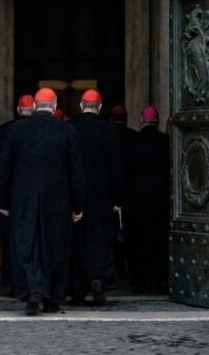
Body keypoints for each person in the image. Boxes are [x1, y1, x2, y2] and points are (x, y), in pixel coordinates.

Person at [0, 87, 85, 316]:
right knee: (54, 247)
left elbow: (5, 169)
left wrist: (3, 200)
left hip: (23, 198)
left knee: (27, 244)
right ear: (54, 106)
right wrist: (78, 206)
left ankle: (33, 289)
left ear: (35, 106)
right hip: (58, 200)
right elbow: (75, 172)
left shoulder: (16, 129)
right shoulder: (68, 130)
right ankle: (51, 295)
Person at [68, 89, 122, 305]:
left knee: (77, 239)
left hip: (76, 192)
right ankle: (99, 277)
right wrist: (117, 199)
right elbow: (117, 166)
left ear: (81, 105)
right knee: (101, 238)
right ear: (99, 107)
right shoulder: (110, 130)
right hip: (102, 193)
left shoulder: (70, 127)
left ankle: (79, 287)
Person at [0, 94, 35, 291]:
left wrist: (1, 199)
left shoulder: (5, 130)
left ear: (18, 110)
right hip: (33, 192)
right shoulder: (42, 128)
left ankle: (11, 281)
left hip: (10, 193)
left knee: (9, 240)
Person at [123, 105, 169, 293]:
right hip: (160, 199)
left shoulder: (132, 142)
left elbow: (125, 172)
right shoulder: (166, 142)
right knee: (158, 239)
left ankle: (139, 279)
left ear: (141, 121)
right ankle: (158, 278)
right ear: (157, 121)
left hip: (136, 200)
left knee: (137, 239)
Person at [109, 104, 138, 278]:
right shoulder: (135, 137)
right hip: (130, 193)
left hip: (110, 192)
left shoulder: (107, 135)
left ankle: (115, 269)